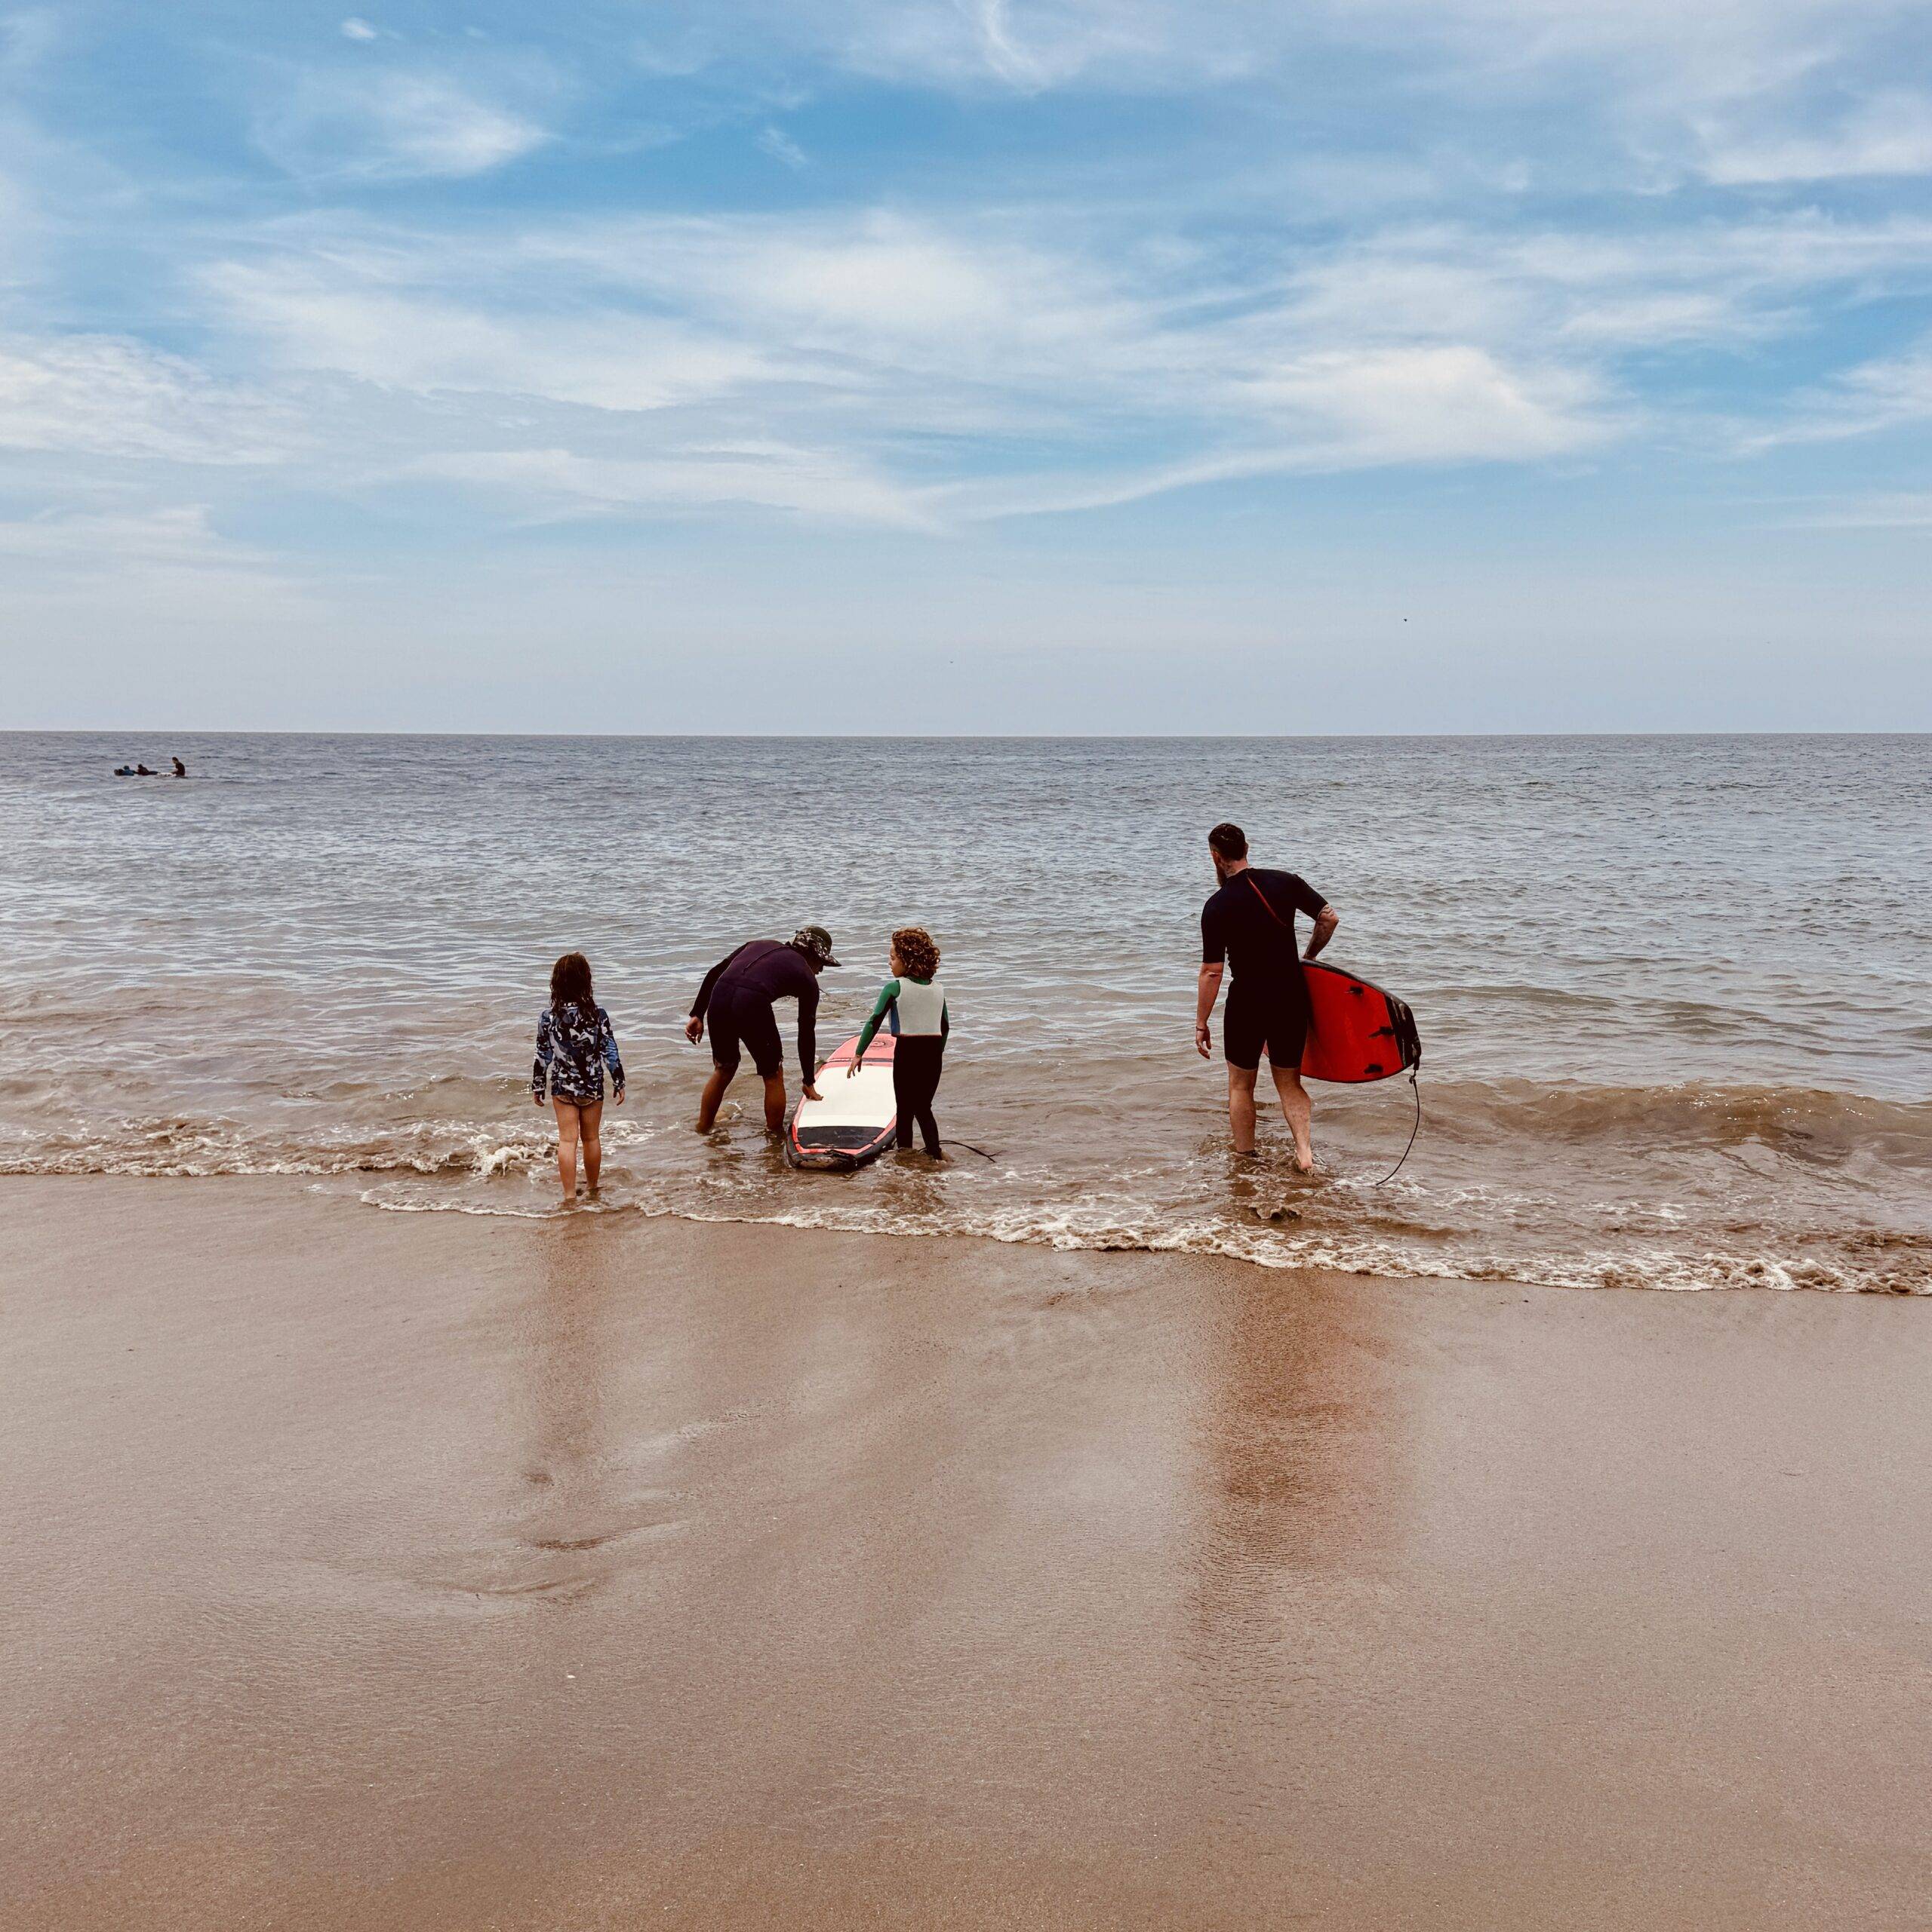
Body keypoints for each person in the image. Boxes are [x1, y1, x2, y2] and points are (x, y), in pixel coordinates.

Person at [1195, 821, 1338, 1173]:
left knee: (1241, 1085)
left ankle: (1245, 1159)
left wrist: (1201, 1023)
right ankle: (1304, 1154)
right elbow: (1328, 918)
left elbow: (1212, 971)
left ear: (1216, 857)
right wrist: (1310, 956)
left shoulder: (1217, 905)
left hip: (1248, 1002)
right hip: (1290, 997)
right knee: (1289, 1082)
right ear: (1247, 848)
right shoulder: (1284, 882)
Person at [685, 925, 838, 1134]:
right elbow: (806, 1030)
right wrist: (808, 1081)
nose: (821, 969)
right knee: (773, 1073)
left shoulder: (759, 944)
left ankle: (703, 1130)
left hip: (719, 996)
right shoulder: (807, 979)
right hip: (751, 1001)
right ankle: (774, 1137)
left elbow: (715, 973)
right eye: (822, 962)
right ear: (812, 954)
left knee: (724, 1068)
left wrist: (697, 1014)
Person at [531, 952, 625, 1201]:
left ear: (556, 983)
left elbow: (543, 1055)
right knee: (592, 1138)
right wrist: (619, 1080)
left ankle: (570, 1195)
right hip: (592, 1087)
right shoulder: (597, 1015)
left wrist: (538, 1085)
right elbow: (609, 1050)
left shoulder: (548, 1018)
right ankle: (593, 1189)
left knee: (567, 1141)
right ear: (586, 981)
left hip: (562, 1088)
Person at [849, 926, 949, 1158]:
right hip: (933, 1056)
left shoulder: (894, 988)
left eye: (893, 958)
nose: (889, 963)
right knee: (924, 1108)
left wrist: (859, 1053)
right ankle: (935, 1153)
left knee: (904, 1109)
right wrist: (938, 1054)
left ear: (908, 960)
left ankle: (905, 1155)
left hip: (908, 1053)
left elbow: (874, 1021)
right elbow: (945, 1027)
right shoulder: (939, 990)